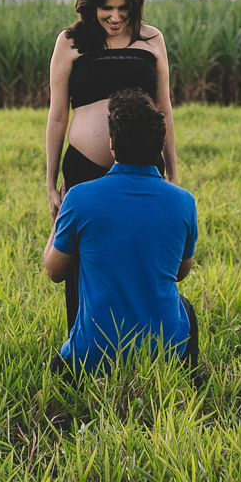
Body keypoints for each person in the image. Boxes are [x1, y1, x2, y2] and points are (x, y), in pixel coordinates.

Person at [45, 0, 179, 333]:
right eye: (108, 9)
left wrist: (172, 169)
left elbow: (163, 107)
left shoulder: (152, 39)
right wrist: (49, 180)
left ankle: (146, 334)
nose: (116, 18)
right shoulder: (70, 42)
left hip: (143, 164)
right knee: (81, 256)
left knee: (143, 250)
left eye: (124, 9)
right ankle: (83, 340)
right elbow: (57, 116)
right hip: (84, 168)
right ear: (91, 5)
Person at [42, 89, 199, 374]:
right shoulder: (184, 202)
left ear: (112, 144)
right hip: (162, 354)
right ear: (159, 143)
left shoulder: (79, 198)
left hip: (92, 356)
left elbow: (54, 271)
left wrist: (58, 217)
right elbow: (180, 272)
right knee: (184, 308)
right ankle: (187, 378)